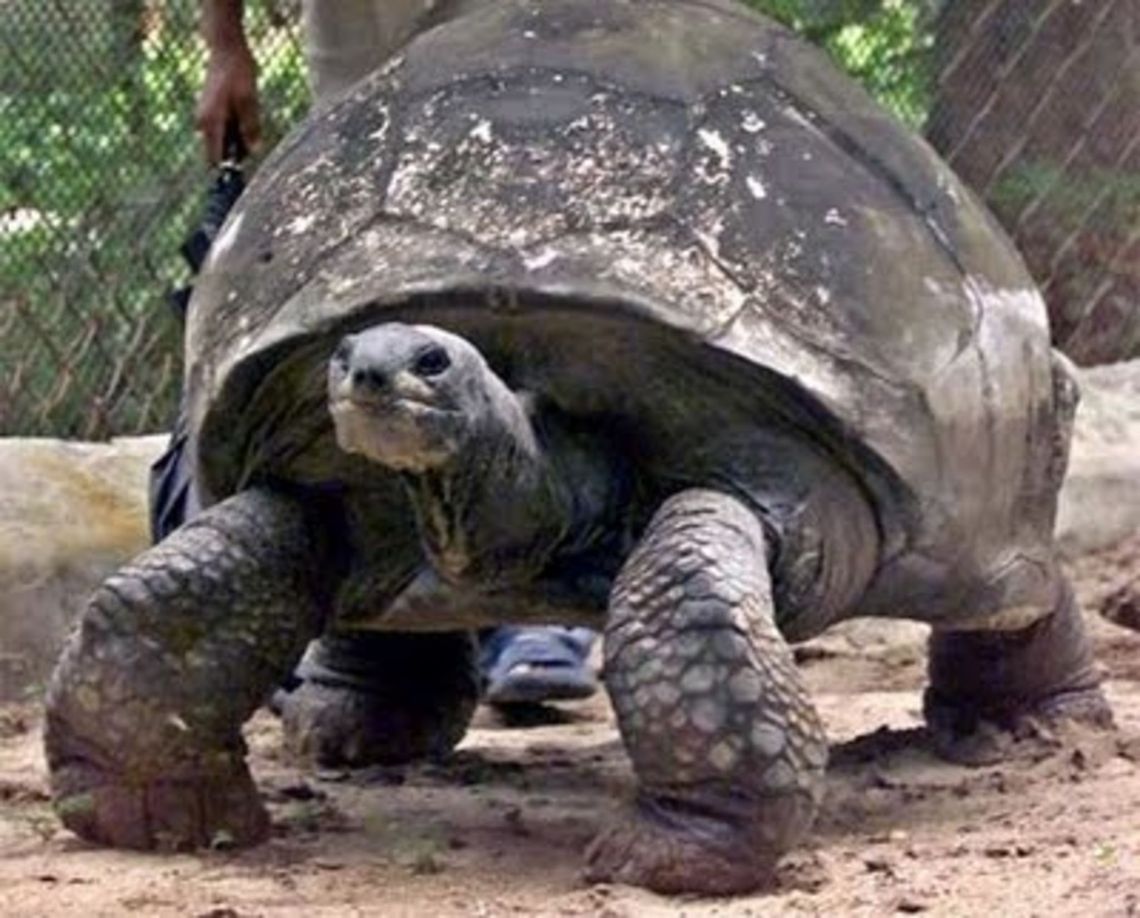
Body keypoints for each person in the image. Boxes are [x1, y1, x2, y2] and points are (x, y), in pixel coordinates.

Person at [186, 0, 598, 708]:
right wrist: (225, 45)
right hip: (358, 21)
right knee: (372, 262)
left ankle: (543, 610)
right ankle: (379, 632)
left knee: (534, 256)